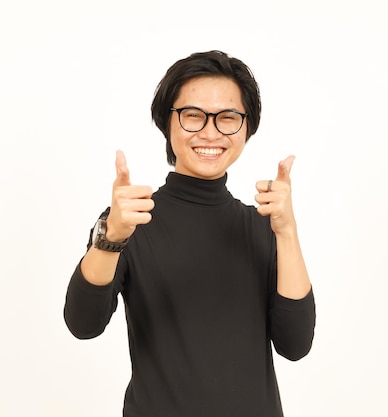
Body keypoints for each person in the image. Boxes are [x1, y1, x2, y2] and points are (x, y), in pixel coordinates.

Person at [63, 50, 316, 417]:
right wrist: (111, 236)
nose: (210, 132)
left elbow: (295, 345)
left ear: (247, 128)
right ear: (168, 122)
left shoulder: (265, 226)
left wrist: (287, 231)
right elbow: (83, 324)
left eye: (227, 118)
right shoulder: (130, 220)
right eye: (193, 116)